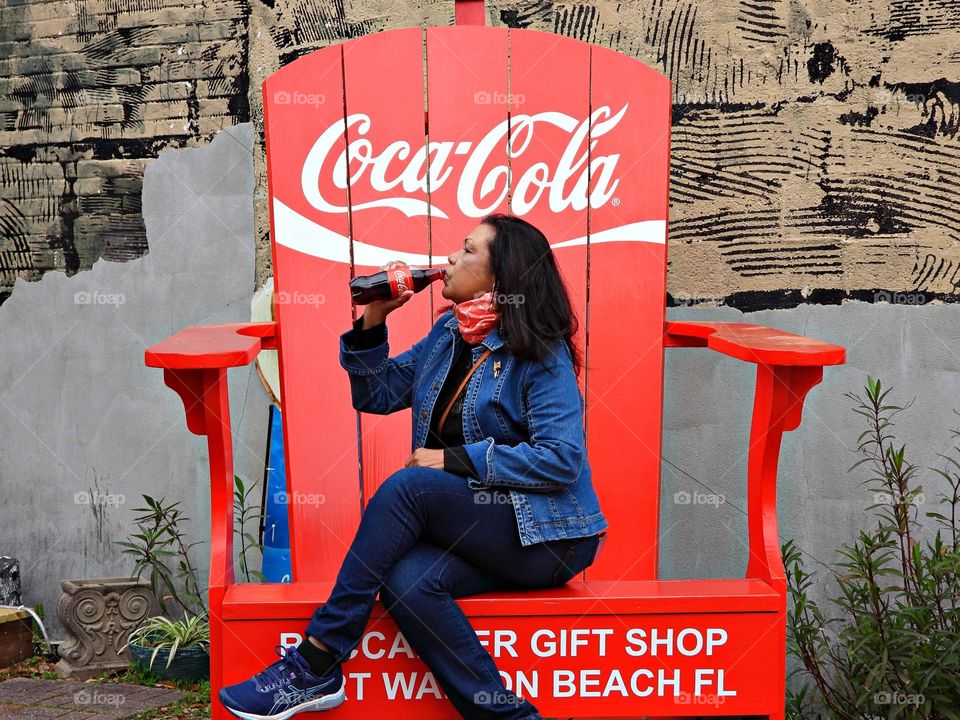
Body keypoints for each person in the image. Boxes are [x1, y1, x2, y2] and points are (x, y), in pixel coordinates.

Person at [219, 214, 608, 720]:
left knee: (412, 487)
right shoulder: (450, 332)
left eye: (468, 251)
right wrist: (375, 318)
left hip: (553, 536)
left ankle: (316, 660)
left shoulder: (540, 353)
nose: (450, 258)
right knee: (407, 579)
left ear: (502, 277)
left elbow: (561, 459)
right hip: (489, 531)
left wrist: (452, 459)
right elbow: (377, 394)